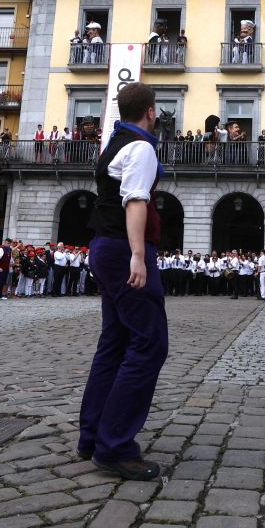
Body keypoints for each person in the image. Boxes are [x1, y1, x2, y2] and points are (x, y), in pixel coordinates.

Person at [78, 82, 168, 481]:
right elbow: (135, 200)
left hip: (103, 244)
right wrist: (137, 254)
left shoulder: (113, 144)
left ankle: (93, 434)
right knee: (149, 343)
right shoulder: (142, 147)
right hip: (122, 247)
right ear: (150, 111)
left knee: (114, 342)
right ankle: (114, 445)